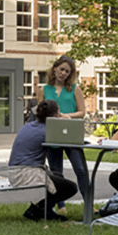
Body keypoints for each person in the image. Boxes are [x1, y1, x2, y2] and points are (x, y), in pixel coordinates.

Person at [8, 100, 78, 221]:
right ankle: (39, 210)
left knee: (57, 177)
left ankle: (44, 210)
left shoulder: (28, 126)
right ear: (54, 116)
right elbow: (66, 141)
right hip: (26, 173)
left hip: (15, 170)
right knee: (70, 187)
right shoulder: (47, 131)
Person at [41, 55, 90, 212]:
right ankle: (60, 205)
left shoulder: (75, 89)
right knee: (56, 172)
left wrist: (66, 116)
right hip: (53, 134)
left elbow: (82, 112)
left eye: (67, 72)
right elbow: (40, 112)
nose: (63, 73)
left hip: (71, 133)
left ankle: (88, 204)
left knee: (81, 170)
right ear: (55, 68)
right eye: (61, 69)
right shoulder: (44, 89)